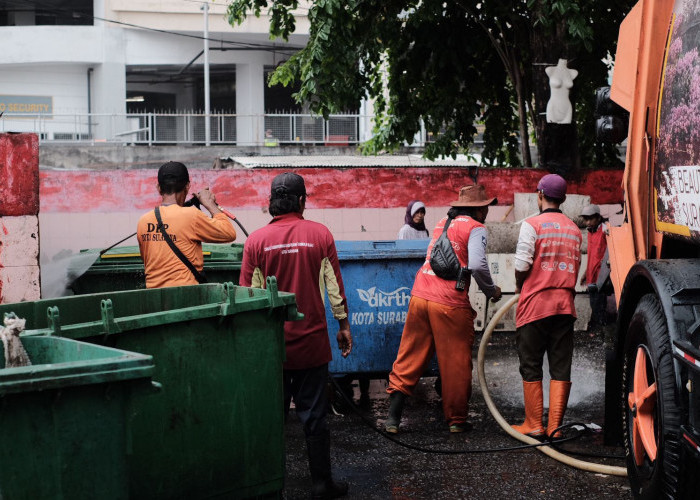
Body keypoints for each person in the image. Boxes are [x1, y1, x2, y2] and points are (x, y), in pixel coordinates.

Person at [239, 172, 352, 500]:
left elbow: (249, 298)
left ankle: (271, 488)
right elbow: (335, 290)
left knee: (272, 419)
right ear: (302, 201)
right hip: (313, 344)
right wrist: (343, 326)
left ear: (271, 202)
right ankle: (321, 485)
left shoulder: (256, 242)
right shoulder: (320, 235)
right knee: (315, 418)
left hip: (274, 349)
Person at [385, 184, 502, 434]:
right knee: (455, 362)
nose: (487, 212)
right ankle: (457, 421)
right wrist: (492, 291)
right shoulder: (476, 227)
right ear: (479, 209)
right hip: (448, 303)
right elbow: (479, 265)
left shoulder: (442, 222)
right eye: (485, 207)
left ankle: (392, 419)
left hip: (419, 296)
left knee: (409, 356)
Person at [513, 174, 582, 438]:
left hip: (535, 305)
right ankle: (555, 427)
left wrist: (520, 284)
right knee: (560, 365)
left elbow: (521, 265)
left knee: (531, 364)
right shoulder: (574, 230)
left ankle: (534, 424)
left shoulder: (531, 224)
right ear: (563, 198)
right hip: (564, 307)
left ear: (540, 195)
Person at [137, 161, 236, 288]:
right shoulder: (191, 215)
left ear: (159, 188)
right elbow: (228, 233)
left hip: (154, 299)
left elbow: (147, 261)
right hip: (187, 297)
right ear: (187, 186)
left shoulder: (143, 221)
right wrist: (209, 203)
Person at [579, 204, 609, 329]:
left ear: (598, 218)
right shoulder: (590, 233)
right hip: (592, 275)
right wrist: (586, 273)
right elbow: (592, 256)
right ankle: (599, 329)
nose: (588, 222)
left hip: (601, 276)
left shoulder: (604, 230)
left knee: (599, 304)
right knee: (594, 303)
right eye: (586, 219)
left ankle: (601, 330)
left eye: (591, 219)